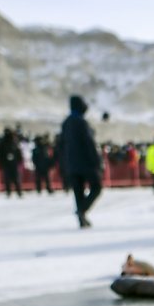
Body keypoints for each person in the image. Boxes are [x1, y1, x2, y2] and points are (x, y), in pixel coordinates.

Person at [60, 95, 102, 229]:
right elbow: (89, 143)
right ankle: (82, 210)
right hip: (86, 163)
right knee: (97, 187)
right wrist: (97, 161)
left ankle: (81, 217)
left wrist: (63, 164)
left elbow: (61, 145)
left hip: (71, 164)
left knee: (78, 191)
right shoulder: (81, 122)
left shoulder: (66, 123)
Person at [0, 127, 24, 197]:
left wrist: (19, 160)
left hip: (14, 163)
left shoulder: (14, 141)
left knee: (16, 178)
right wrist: (1, 164)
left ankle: (19, 192)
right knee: (7, 179)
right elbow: (0, 154)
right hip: (6, 164)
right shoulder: (2, 143)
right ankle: (8, 192)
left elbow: (18, 152)